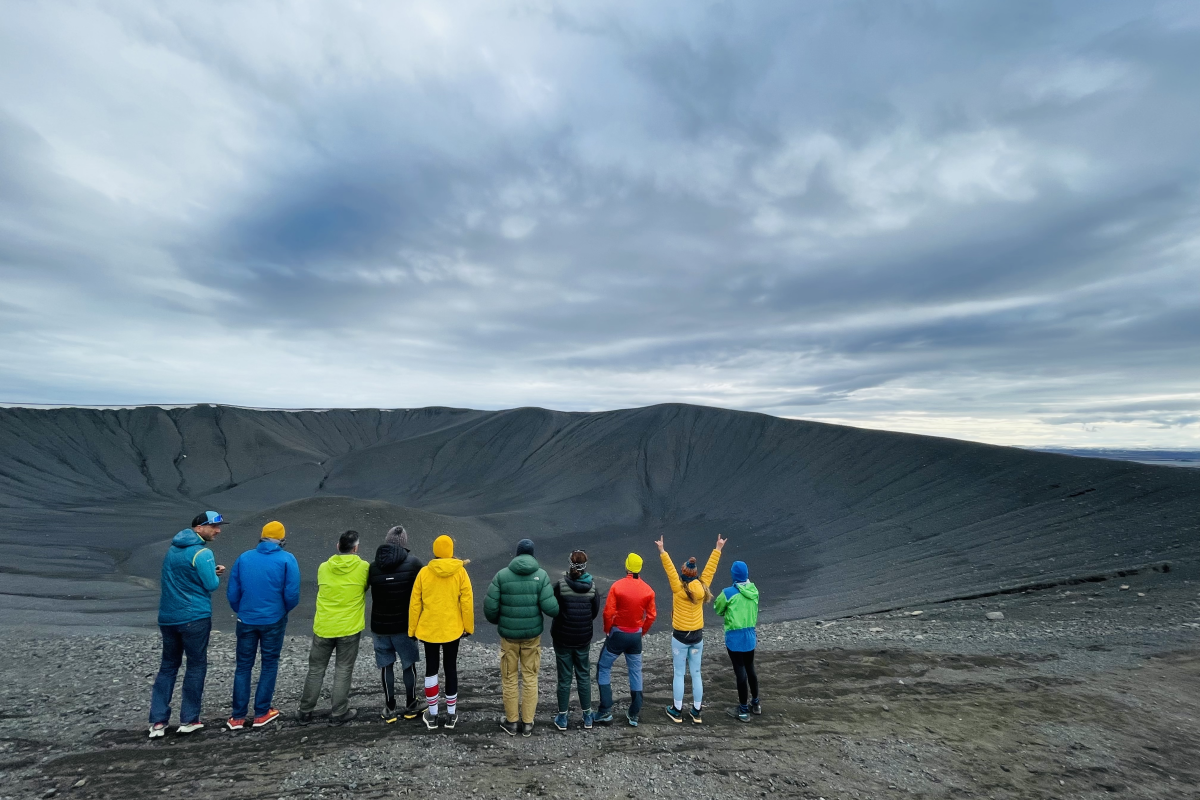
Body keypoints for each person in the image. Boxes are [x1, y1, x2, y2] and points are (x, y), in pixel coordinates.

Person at [147, 511, 227, 739]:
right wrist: (215, 574)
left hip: (168, 617)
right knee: (196, 666)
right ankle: (189, 719)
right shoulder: (203, 553)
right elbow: (211, 585)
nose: (218, 530)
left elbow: (182, 576)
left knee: (168, 666)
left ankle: (158, 722)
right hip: (195, 617)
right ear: (199, 528)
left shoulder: (172, 549)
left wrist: (207, 572)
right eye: (213, 526)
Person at [225, 520, 300, 731]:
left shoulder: (244, 558)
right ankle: (261, 712)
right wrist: (282, 610)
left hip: (246, 619)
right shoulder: (287, 559)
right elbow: (292, 593)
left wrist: (242, 610)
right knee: (269, 663)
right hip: (273, 619)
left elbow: (233, 591)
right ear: (281, 539)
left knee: (243, 665)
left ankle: (237, 717)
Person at [484, 538, 559, 737]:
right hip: (532, 637)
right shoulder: (541, 576)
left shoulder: (501, 576)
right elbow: (551, 609)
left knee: (509, 678)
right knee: (530, 677)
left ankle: (511, 722)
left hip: (508, 637)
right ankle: (527, 723)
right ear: (532, 554)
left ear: (517, 554)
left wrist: (500, 621)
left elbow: (490, 608)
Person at [297, 530, 370, 726]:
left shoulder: (323, 567)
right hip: (349, 627)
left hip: (324, 626)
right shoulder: (363, 567)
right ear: (355, 548)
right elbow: (364, 587)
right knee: (343, 670)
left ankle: (305, 711)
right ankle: (339, 712)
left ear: (338, 546)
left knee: (315, 669)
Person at [656, 534, 725, 724]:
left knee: (679, 673)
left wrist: (662, 550)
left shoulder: (678, 588)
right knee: (696, 673)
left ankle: (677, 711)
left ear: (683, 574)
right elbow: (710, 570)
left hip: (680, 637)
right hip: (697, 637)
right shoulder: (703, 586)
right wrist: (718, 549)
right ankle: (696, 711)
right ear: (695, 574)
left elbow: (670, 570)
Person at [409, 534, 474, 730]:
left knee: (431, 669)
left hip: (429, 629)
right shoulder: (460, 572)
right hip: (452, 629)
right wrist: (468, 627)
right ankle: (451, 714)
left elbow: (415, 603)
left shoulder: (424, 573)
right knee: (450, 667)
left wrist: (412, 629)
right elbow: (467, 602)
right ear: (451, 550)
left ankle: (433, 714)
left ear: (435, 550)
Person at [368, 525, 424, 723]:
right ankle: (411, 704)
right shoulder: (414, 563)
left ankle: (390, 707)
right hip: (403, 625)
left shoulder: (373, 566)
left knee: (386, 666)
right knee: (408, 665)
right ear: (404, 542)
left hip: (380, 626)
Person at [596, 552, 656, 727]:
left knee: (604, 667)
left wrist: (608, 629)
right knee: (635, 671)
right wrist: (641, 632)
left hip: (618, 633)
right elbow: (651, 616)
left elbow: (608, 612)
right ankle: (634, 712)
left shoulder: (617, 586)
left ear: (627, 566)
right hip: (635, 635)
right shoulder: (648, 590)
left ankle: (605, 710)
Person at [549, 549, 599, 732]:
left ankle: (563, 717)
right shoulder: (592, 587)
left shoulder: (560, 586)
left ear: (570, 563)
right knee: (583, 675)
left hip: (562, 638)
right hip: (582, 638)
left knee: (564, 678)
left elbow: (553, 608)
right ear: (585, 565)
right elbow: (594, 612)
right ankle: (587, 716)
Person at [714, 560, 761, 722]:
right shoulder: (754, 591)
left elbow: (718, 609)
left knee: (740, 671)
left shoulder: (728, 593)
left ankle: (743, 710)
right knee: (750, 668)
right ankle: (756, 703)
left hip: (734, 637)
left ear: (733, 575)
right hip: (750, 635)